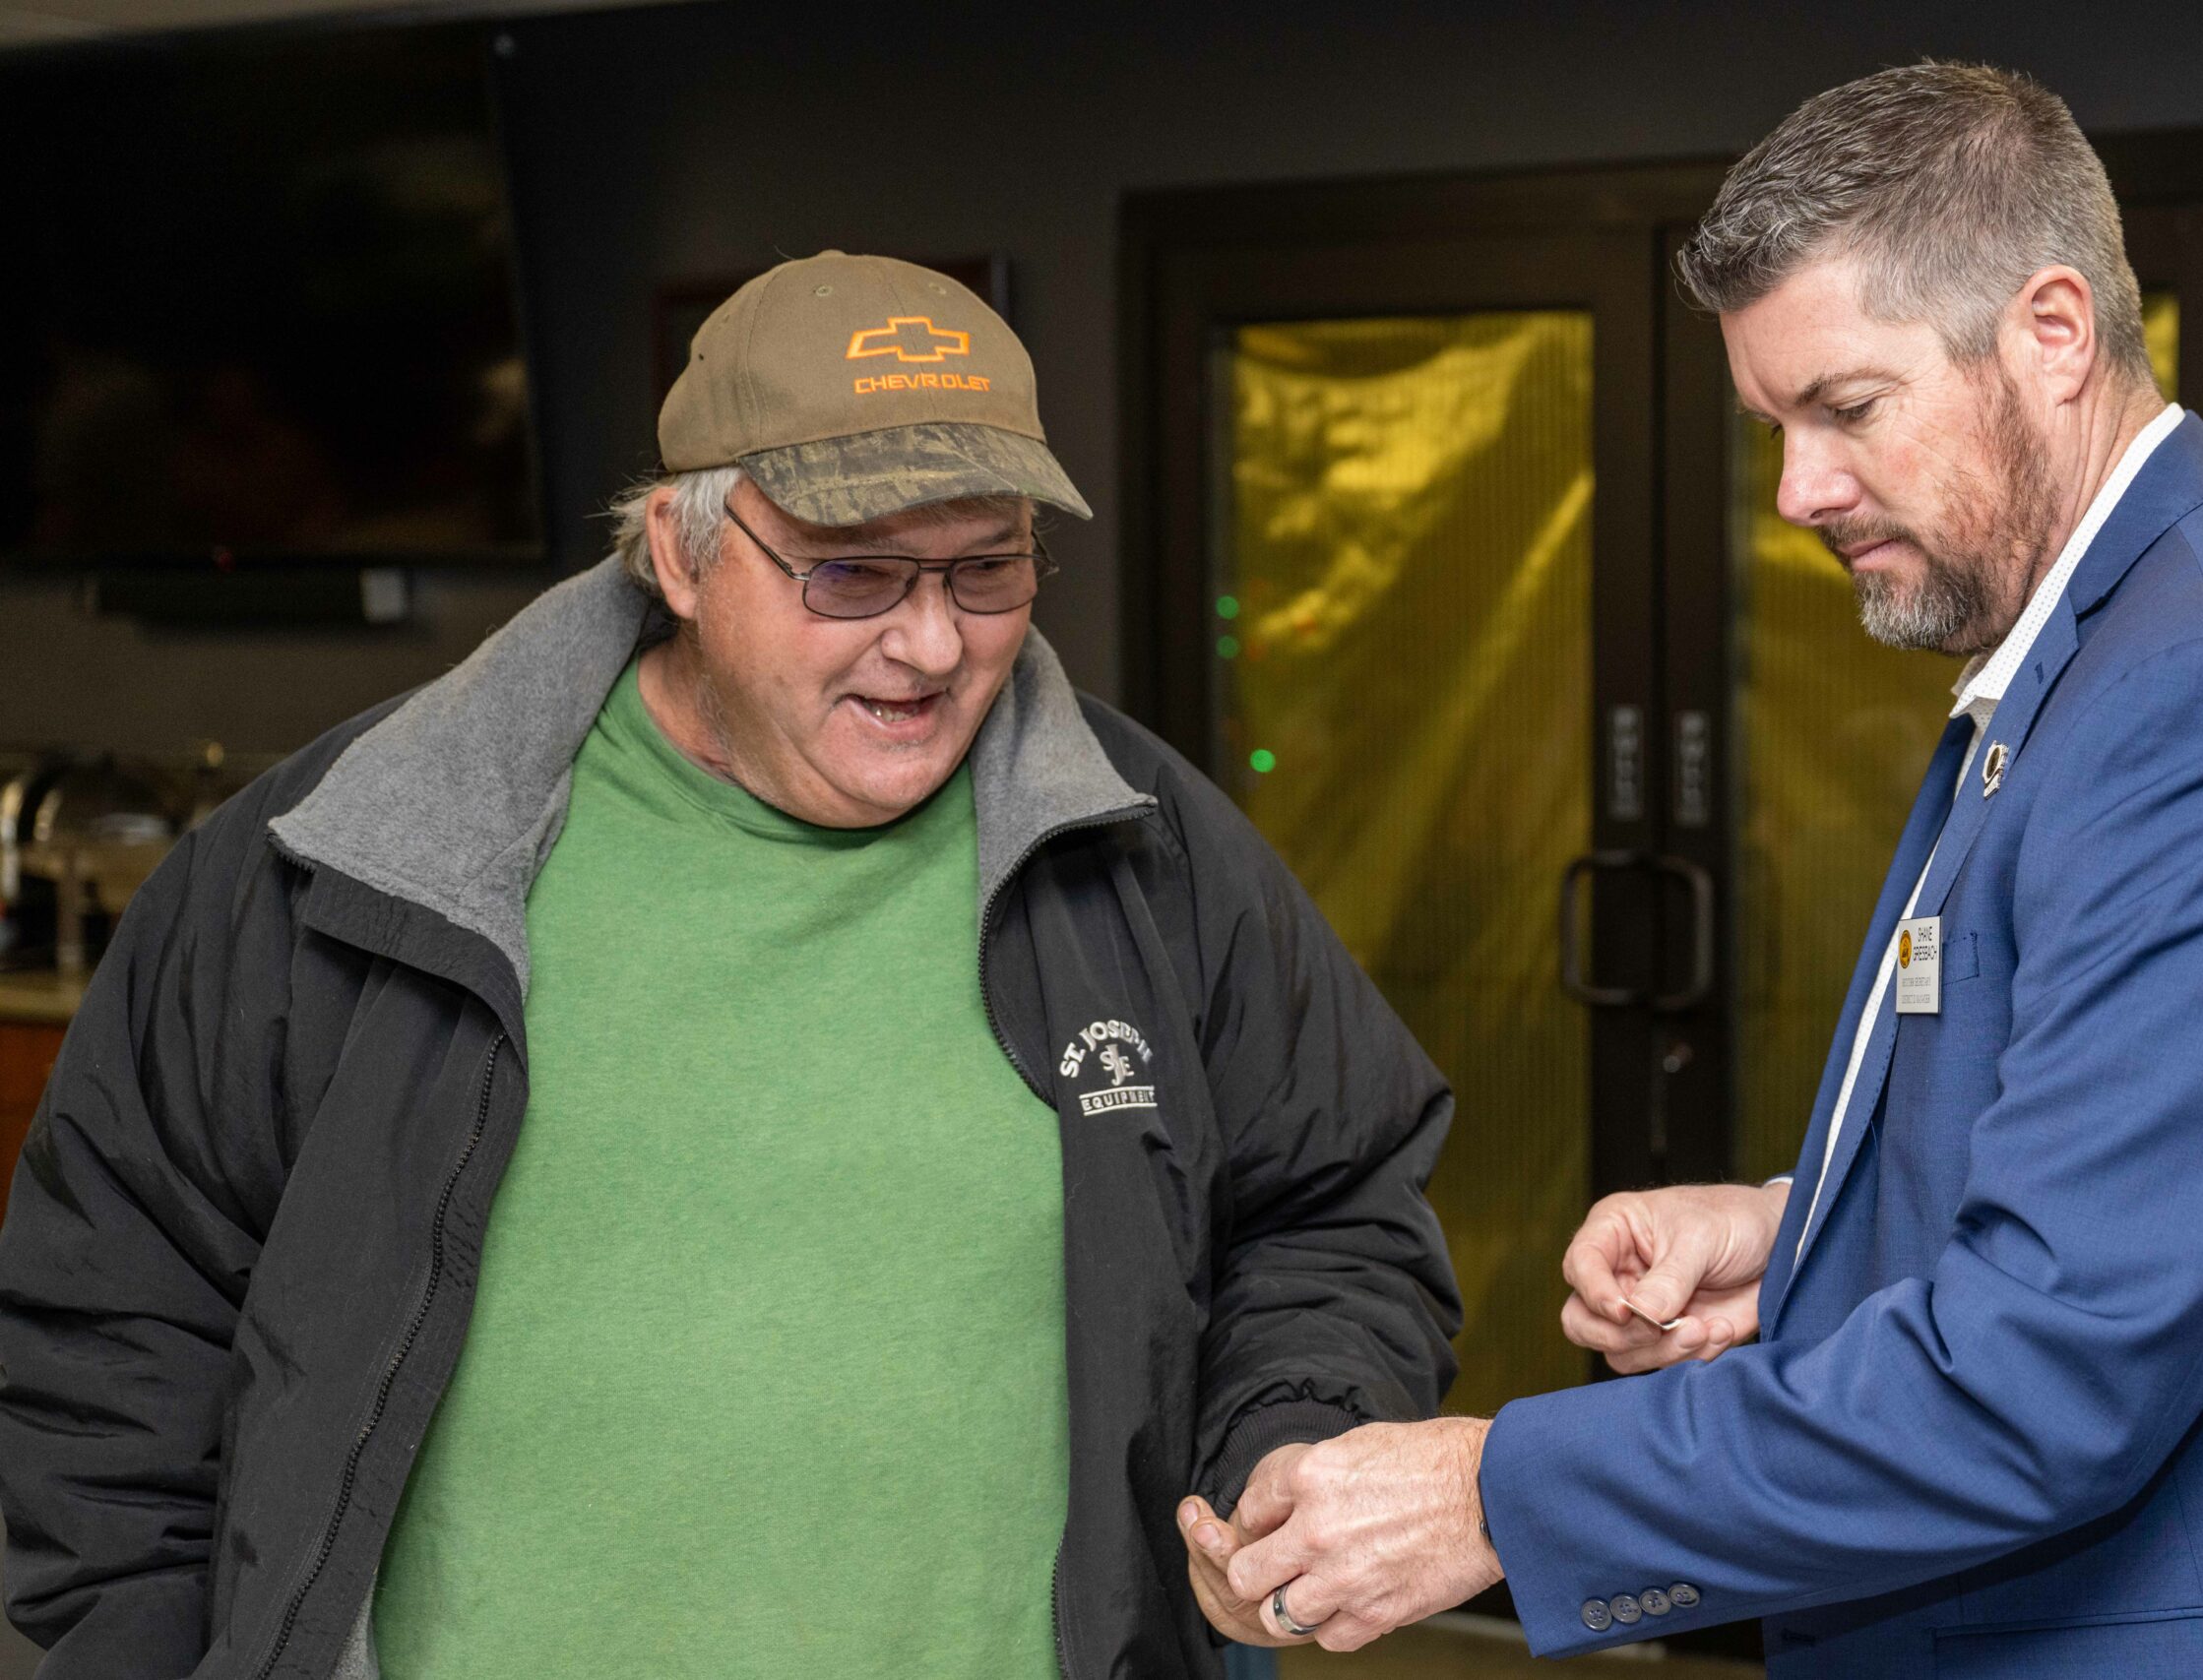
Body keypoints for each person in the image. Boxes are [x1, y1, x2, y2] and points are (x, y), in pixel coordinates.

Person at [1181, 63, 2203, 1678]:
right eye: (1776, 427)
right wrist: (1803, 1233)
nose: (1796, 492)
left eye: (1847, 409)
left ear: (2053, 331)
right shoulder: (2127, 646)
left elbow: (2040, 1381)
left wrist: (1491, 1495)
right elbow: (2152, 1182)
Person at [0, 252, 1461, 1680]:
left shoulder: (1151, 853)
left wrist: (1287, 1441)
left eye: (988, 567)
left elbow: (1329, 1207)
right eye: (855, 572)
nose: (932, 642)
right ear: (680, 553)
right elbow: (112, 1324)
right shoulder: (342, 858)